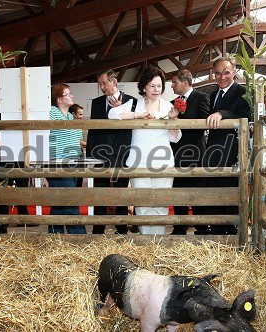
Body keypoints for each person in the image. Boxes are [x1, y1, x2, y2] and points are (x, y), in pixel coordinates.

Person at [108, 66, 182, 235]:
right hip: (138, 161)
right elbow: (112, 114)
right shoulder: (134, 104)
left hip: (163, 161)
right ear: (143, 87)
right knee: (142, 204)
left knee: (160, 204)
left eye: (159, 86)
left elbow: (175, 138)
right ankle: (145, 242)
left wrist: (174, 120)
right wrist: (137, 115)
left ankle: (158, 241)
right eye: (152, 86)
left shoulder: (168, 107)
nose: (156, 90)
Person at [204, 56, 252, 235]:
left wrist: (221, 113)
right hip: (213, 151)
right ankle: (216, 229)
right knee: (214, 189)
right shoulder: (212, 94)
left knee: (230, 189)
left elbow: (245, 116)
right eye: (217, 73)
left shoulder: (243, 93)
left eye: (226, 72)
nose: (221, 77)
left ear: (234, 72)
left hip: (232, 150)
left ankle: (231, 231)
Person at [87, 69, 137, 234]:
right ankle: (98, 229)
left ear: (114, 82)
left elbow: (132, 129)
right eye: (99, 84)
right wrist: (90, 155)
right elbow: (93, 130)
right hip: (100, 154)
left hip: (123, 153)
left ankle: (121, 228)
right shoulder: (96, 102)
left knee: (121, 192)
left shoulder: (131, 101)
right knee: (100, 193)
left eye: (104, 83)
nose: (101, 87)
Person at [169, 69, 211, 235]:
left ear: (185, 83)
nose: (172, 85)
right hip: (177, 151)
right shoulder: (172, 102)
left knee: (197, 189)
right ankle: (180, 226)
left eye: (174, 82)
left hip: (195, 150)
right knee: (178, 189)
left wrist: (179, 121)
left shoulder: (202, 98)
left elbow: (204, 121)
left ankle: (202, 227)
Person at [47, 83, 86, 234]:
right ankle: (80, 237)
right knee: (70, 199)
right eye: (68, 94)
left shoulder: (70, 116)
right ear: (59, 99)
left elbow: (77, 140)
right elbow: (43, 135)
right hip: (58, 162)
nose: (71, 96)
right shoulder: (51, 112)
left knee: (60, 201)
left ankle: (55, 236)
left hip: (74, 162)